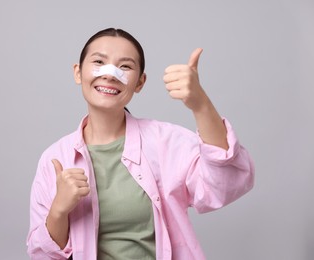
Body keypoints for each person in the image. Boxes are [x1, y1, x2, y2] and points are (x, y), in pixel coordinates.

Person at [26, 28, 255, 260]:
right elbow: (42, 255)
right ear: (78, 72)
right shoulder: (55, 158)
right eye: (98, 61)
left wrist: (201, 104)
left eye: (125, 66)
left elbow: (227, 183)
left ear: (140, 82)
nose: (110, 74)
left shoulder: (165, 142)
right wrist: (58, 210)